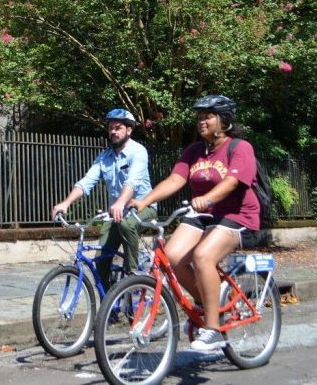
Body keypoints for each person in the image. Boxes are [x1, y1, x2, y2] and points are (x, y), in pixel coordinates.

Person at [128, 94, 260, 351]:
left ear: (224, 120)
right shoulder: (194, 151)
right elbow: (175, 180)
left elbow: (231, 183)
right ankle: (206, 300)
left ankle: (212, 328)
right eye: (199, 117)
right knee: (172, 257)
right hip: (204, 213)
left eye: (208, 117)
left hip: (237, 214)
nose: (202, 122)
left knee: (202, 257)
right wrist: (144, 201)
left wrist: (207, 198)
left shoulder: (240, 148)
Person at [52, 108, 156, 287]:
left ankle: (134, 278)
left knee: (127, 224)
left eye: (118, 128)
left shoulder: (138, 152)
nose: (113, 132)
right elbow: (87, 181)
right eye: (111, 128)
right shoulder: (104, 157)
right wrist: (66, 202)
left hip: (142, 207)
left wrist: (121, 202)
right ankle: (110, 308)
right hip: (117, 212)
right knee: (101, 260)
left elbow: (133, 181)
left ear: (128, 130)